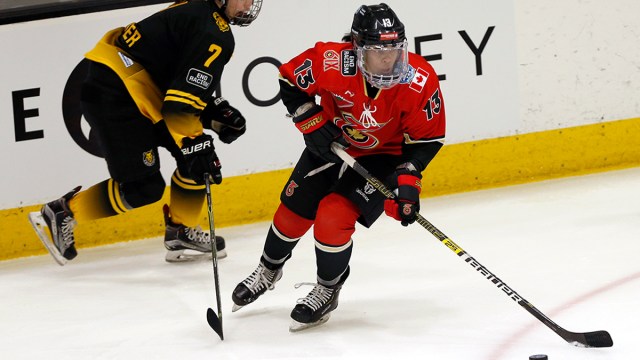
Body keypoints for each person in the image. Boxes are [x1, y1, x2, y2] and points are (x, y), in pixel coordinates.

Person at [231, 3, 446, 331]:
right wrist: (311, 122)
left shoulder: (419, 80)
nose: (389, 59)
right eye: (378, 51)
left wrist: (407, 180)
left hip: (383, 155)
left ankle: (328, 289)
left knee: (332, 215)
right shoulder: (332, 60)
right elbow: (289, 80)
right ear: (358, 48)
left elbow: (427, 141)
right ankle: (268, 269)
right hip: (332, 143)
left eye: (395, 49)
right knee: (292, 213)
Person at [28, 0, 263, 265]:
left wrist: (210, 111)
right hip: (116, 95)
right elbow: (179, 107)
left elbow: (172, 76)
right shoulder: (214, 33)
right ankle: (63, 212)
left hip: (130, 87)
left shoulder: (196, 8)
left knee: (193, 157)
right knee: (144, 187)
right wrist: (197, 143)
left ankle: (181, 231)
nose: (249, 5)